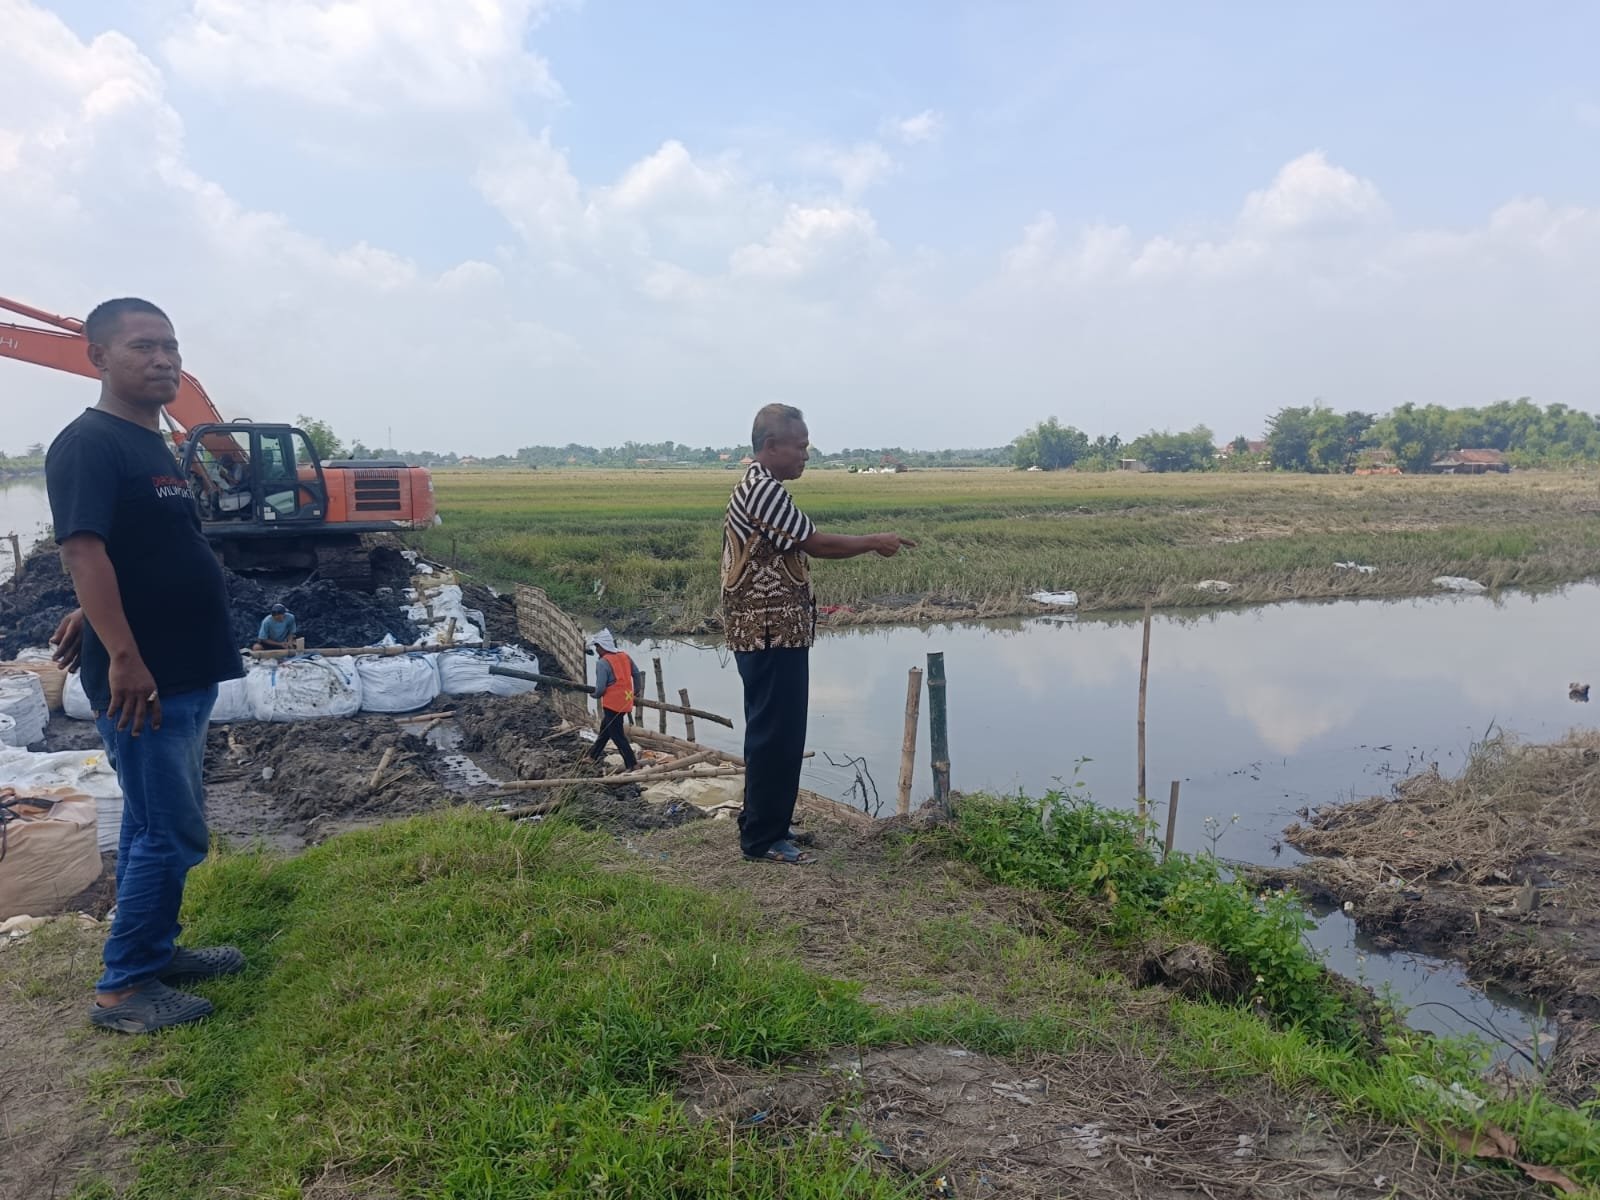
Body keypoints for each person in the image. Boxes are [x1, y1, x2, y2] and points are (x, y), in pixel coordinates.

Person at [45, 297, 247, 1034]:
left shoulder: (151, 441)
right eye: (142, 346)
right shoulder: (89, 443)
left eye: (171, 346)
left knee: (146, 823)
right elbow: (83, 548)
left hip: (182, 666)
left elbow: (132, 545)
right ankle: (125, 988)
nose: (163, 359)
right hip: (145, 679)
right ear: (98, 358)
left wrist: (87, 613)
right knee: (172, 832)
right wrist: (123, 654)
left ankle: (152, 954)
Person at [722, 404, 915, 864]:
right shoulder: (764, 491)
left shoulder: (757, 485)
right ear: (772, 447)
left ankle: (768, 824)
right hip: (769, 632)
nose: (806, 455)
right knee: (776, 734)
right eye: (800, 446)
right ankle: (763, 839)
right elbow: (816, 543)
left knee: (776, 731)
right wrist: (875, 542)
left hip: (772, 631)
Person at [587, 629, 644, 771]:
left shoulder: (602, 663)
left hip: (612, 703)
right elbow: (636, 674)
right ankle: (592, 756)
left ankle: (632, 764)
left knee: (617, 735)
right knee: (606, 728)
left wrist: (594, 695)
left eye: (597, 646)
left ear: (602, 646)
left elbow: (600, 688)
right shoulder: (624, 656)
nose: (596, 649)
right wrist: (636, 690)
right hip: (626, 699)